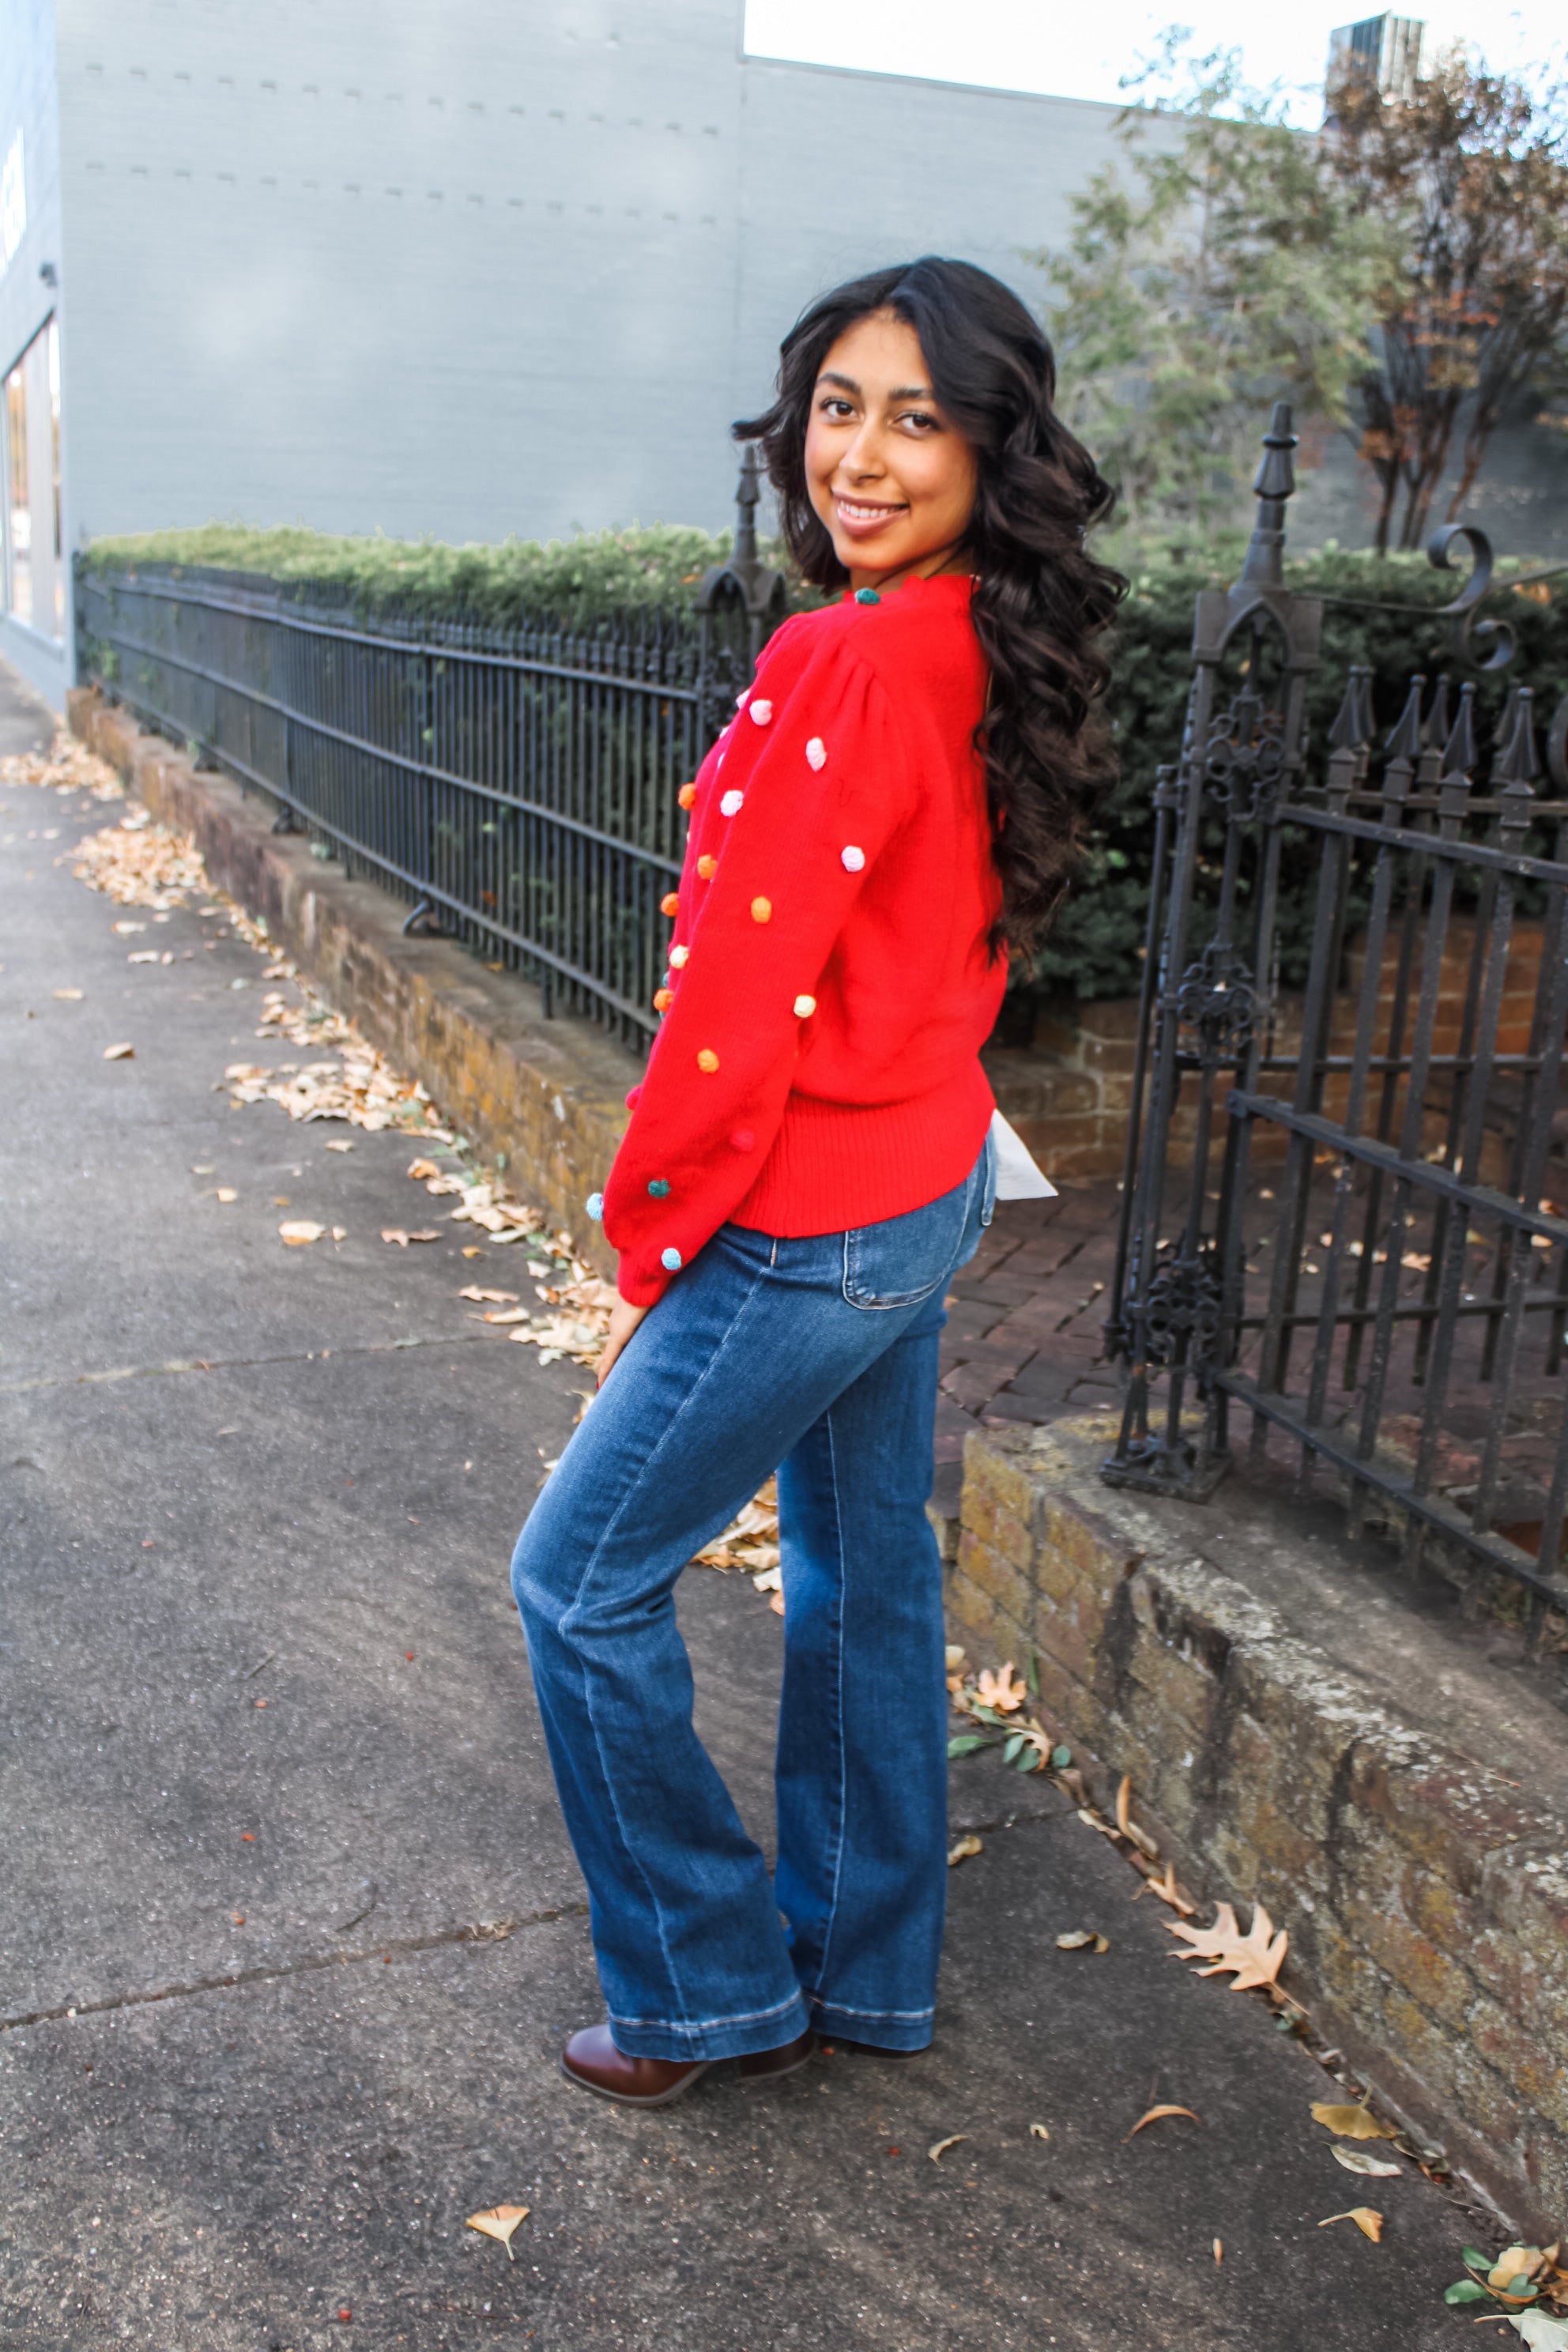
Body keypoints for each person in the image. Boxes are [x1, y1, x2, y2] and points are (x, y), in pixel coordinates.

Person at [511, 256, 1122, 2108]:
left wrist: (651, 1226)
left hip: (809, 1222)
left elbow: (734, 1000)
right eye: (835, 410)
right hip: (924, 1182)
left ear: (989, 448)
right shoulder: (967, 636)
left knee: (577, 1586)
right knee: (863, 1578)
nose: (856, 457)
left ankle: (703, 1986)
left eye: (913, 421)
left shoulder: (844, 657)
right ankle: (862, 1969)